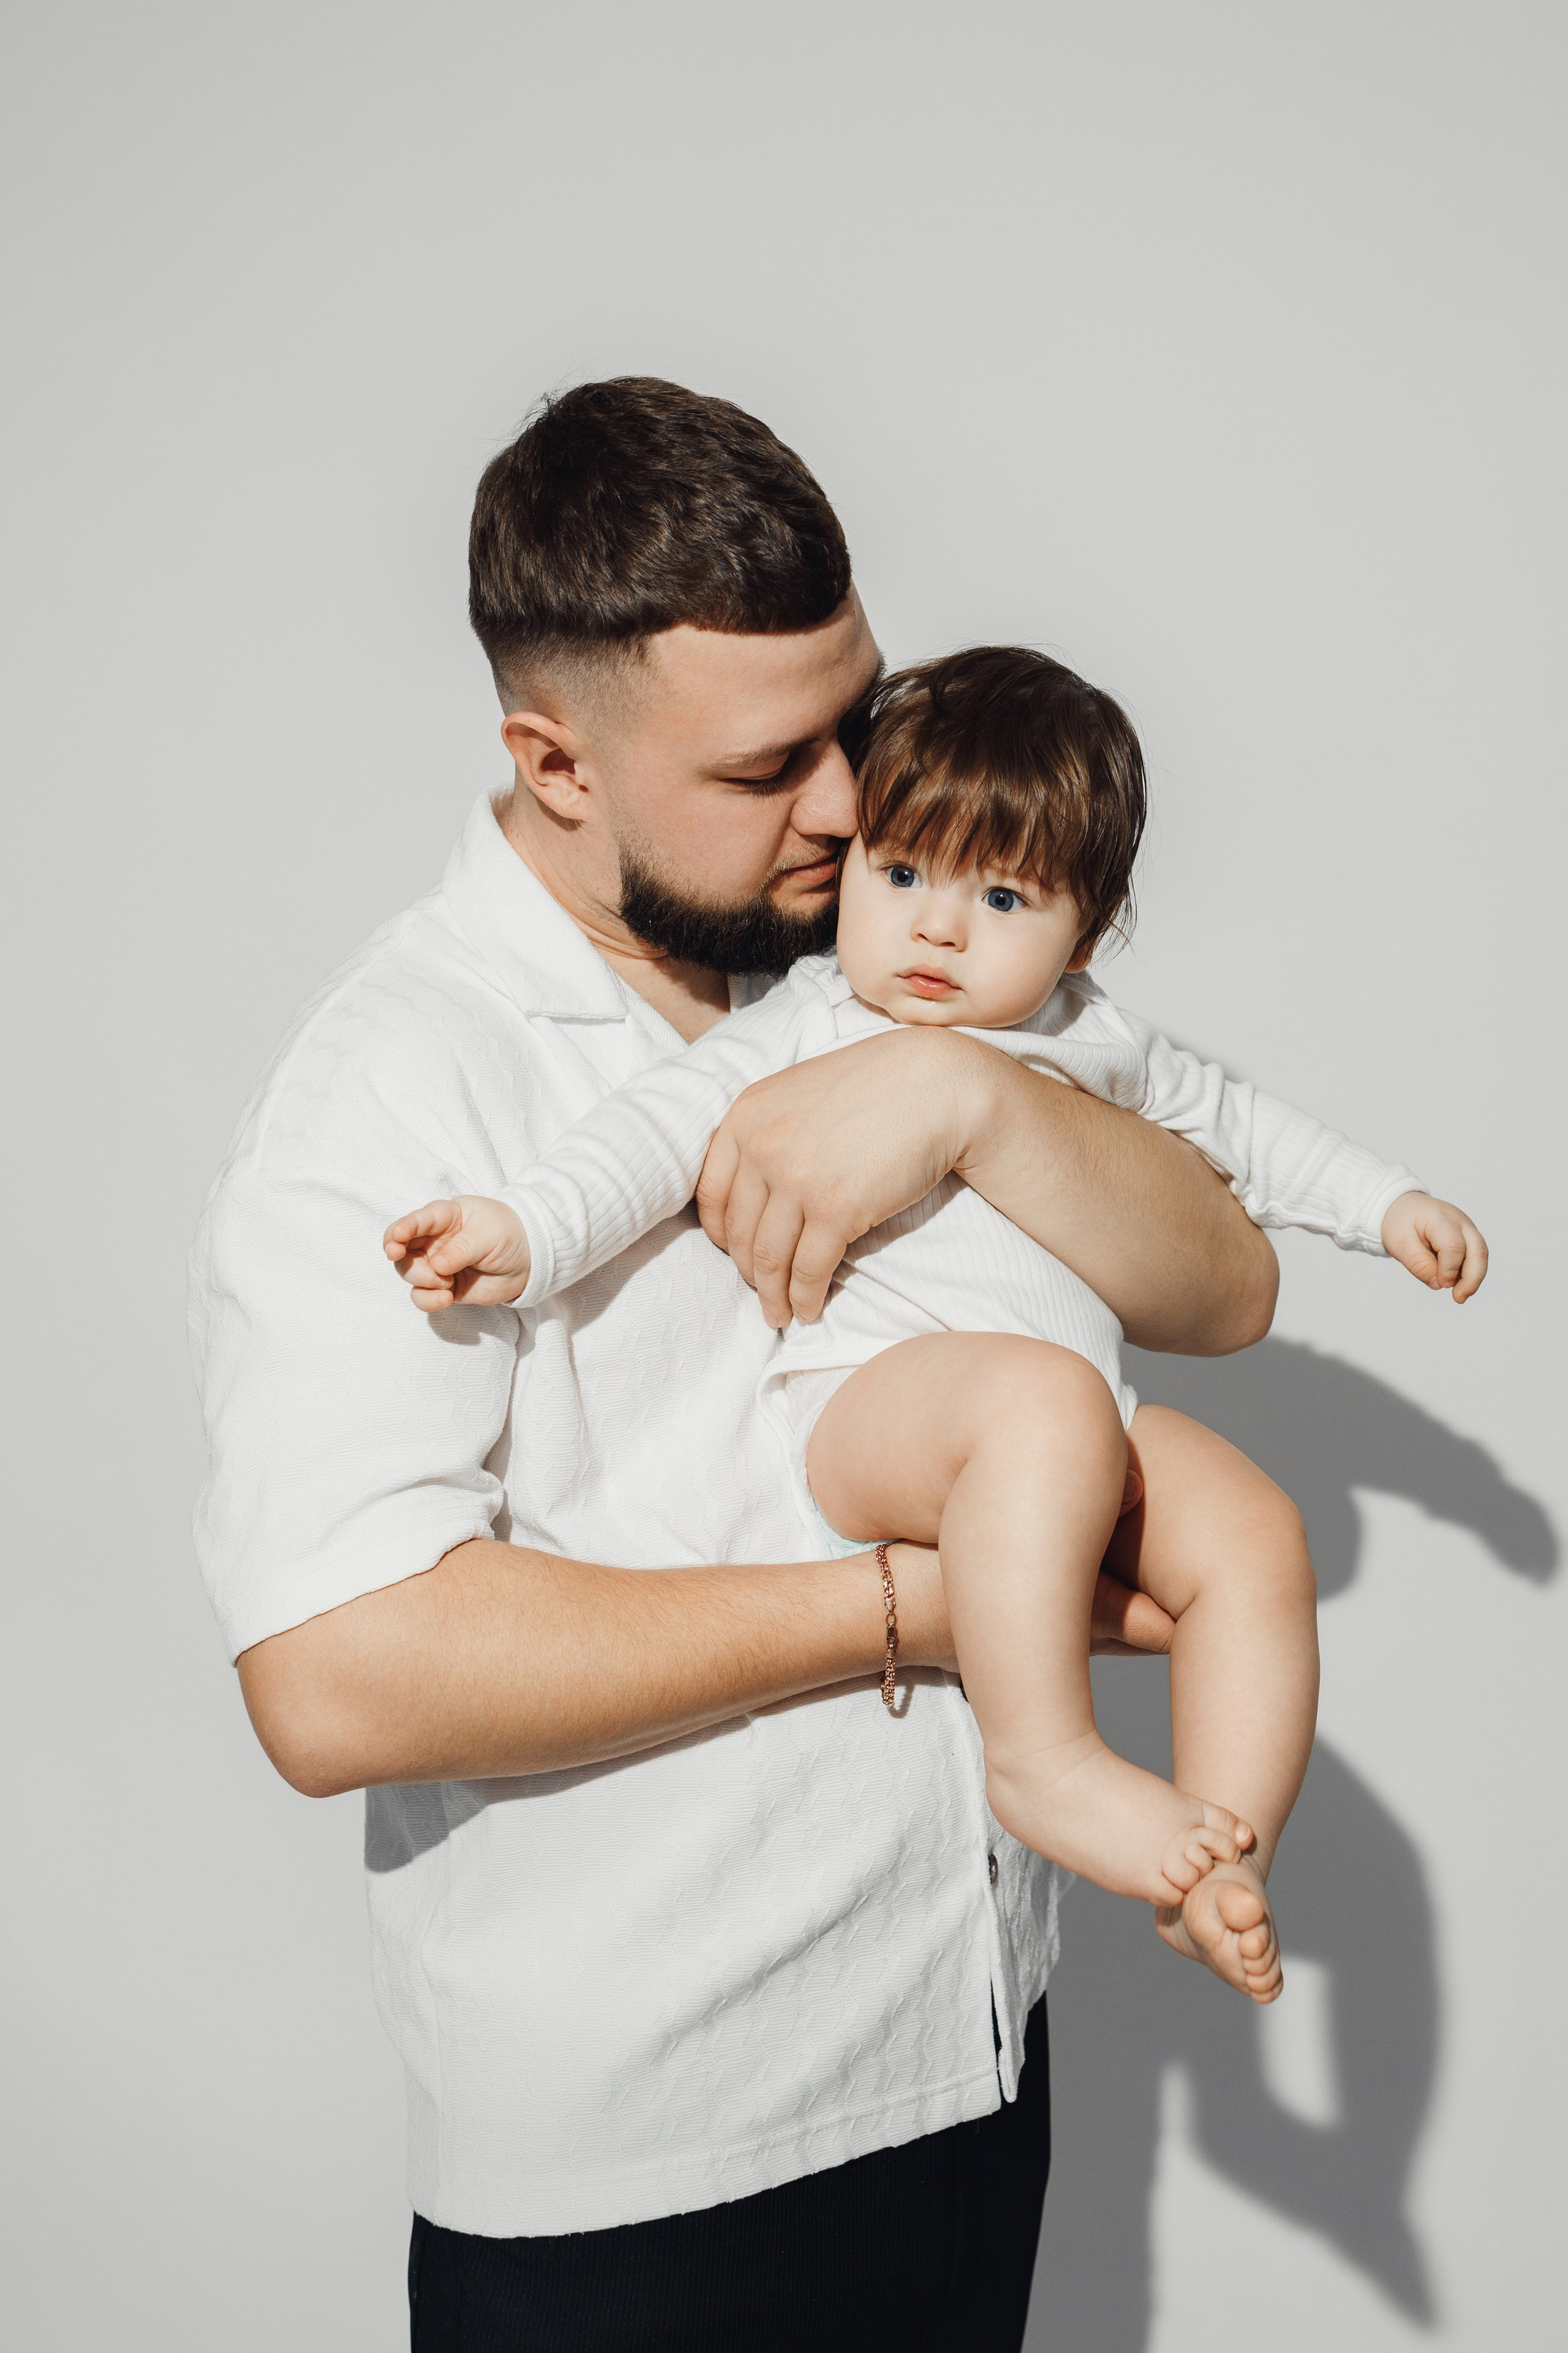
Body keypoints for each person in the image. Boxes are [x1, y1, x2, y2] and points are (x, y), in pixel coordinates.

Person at [192, 378, 1283, 2351]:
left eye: (852, 722)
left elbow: (1226, 1288)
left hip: (966, 2054)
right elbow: (335, 1679)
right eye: (773, 763)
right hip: (646, 2175)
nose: (858, 806)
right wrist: (913, 1607)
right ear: (554, 760)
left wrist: (966, 1098)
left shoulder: (888, 964)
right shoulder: (400, 1088)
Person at [384, 644, 1488, 2007]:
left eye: (1001, 896)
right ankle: (1045, 1761)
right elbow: (649, 1134)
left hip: (1067, 1418)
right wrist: (526, 1227)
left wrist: (1386, 1206)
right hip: (876, 1406)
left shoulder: (1097, 1043)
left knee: (1252, 1527)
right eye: (898, 874)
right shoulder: (806, 1020)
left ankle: (1222, 1854)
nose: (933, 930)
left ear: (1083, 938)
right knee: (1041, 1405)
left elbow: (1249, 1139)